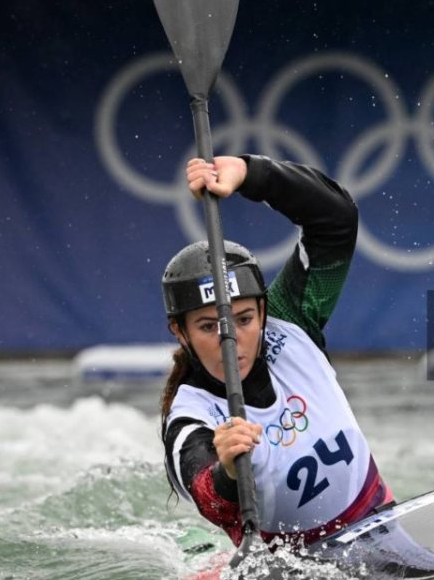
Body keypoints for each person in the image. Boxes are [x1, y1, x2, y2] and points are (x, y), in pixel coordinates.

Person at [159, 154, 393, 549]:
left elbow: (336, 220)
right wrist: (228, 471)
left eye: (245, 319)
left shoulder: (292, 323)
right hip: (293, 568)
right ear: (179, 332)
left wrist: (252, 174)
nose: (230, 339)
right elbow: (207, 496)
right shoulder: (189, 414)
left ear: (264, 311)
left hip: (380, 529)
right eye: (208, 326)